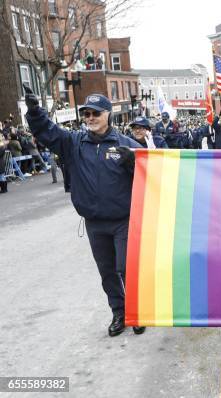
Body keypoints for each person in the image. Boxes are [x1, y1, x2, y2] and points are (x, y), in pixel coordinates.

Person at [24, 86, 145, 337]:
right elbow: (47, 131)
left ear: (108, 114)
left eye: (95, 113)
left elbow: (152, 175)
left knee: (125, 267)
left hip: (124, 220)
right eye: (86, 113)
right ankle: (119, 312)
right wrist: (35, 111)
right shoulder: (74, 143)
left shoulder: (127, 145)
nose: (90, 118)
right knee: (107, 272)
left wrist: (134, 164)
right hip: (94, 222)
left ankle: (137, 311)